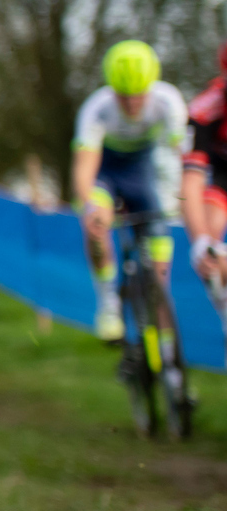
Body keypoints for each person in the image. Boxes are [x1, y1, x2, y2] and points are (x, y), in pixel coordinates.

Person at [72, 40, 190, 341]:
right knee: (96, 224)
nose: (132, 104)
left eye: (138, 96)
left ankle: (168, 358)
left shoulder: (169, 102)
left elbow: (183, 157)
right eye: (124, 97)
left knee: (160, 271)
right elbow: (84, 169)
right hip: (105, 172)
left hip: (143, 171)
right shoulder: (96, 109)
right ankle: (108, 302)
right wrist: (91, 205)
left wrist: (181, 199)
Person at [179, 43, 227, 316]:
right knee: (210, 229)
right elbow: (190, 184)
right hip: (222, 177)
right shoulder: (203, 110)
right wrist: (200, 242)